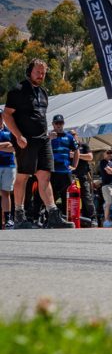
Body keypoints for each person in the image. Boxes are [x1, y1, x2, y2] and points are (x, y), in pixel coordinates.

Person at [2, 59, 73, 229]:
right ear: (29, 71)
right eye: (37, 72)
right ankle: (19, 215)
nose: (41, 75)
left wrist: (47, 135)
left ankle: (53, 214)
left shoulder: (43, 92)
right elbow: (7, 115)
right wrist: (18, 136)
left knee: (45, 175)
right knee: (23, 176)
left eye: (43, 73)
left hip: (43, 140)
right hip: (26, 141)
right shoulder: (18, 90)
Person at [48, 114, 79, 215]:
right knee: (51, 195)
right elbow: (41, 150)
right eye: (56, 123)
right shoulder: (49, 137)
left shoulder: (69, 137)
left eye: (60, 123)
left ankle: (67, 216)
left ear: (63, 124)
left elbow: (76, 150)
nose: (58, 125)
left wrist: (74, 165)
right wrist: (49, 139)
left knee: (66, 195)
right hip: (52, 171)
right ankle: (49, 216)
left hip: (66, 171)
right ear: (53, 124)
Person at [71, 130, 95, 226]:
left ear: (77, 136)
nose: (72, 136)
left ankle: (92, 217)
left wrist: (77, 155)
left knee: (86, 196)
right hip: (71, 176)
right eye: (70, 135)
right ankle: (71, 217)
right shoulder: (67, 146)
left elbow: (90, 157)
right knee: (71, 197)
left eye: (73, 135)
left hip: (82, 175)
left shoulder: (83, 145)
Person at [0, 121, 15, 229]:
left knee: (6, 192)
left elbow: (14, 147)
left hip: (9, 165)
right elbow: (9, 146)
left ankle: (8, 218)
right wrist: (6, 144)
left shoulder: (9, 130)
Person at [98, 149, 112, 226]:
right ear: (104, 154)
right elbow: (110, 171)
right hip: (106, 185)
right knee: (108, 203)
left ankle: (108, 219)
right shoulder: (103, 162)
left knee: (111, 203)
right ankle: (106, 220)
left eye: (111, 153)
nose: (110, 154)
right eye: (108, 153)